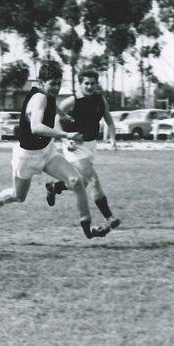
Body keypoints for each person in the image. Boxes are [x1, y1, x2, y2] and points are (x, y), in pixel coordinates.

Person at [0, 60, 110, 239]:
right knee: (19, 196)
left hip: (47, 151)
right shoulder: (39, 98)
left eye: (59, 83)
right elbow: (36, 127)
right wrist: (66, 135)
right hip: (27, 156)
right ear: (41, 82)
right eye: (53, 83)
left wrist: (61, 114)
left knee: (76, 181)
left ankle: (88, 229)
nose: (56, 87)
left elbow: (51, 104)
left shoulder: (45, 93)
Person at [43, 69, 120, 230]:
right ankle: (109, 217)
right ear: (80, 84)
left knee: (83, 183)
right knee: (93, 180)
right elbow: (55, 120)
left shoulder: (100, 101)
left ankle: (54, 187)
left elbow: (110, 122)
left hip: (91, 145)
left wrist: (112, 140)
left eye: (93, 83)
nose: (90, 86)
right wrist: (65, 138)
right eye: (86, 83)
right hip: (74, 146)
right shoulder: (71, 101)